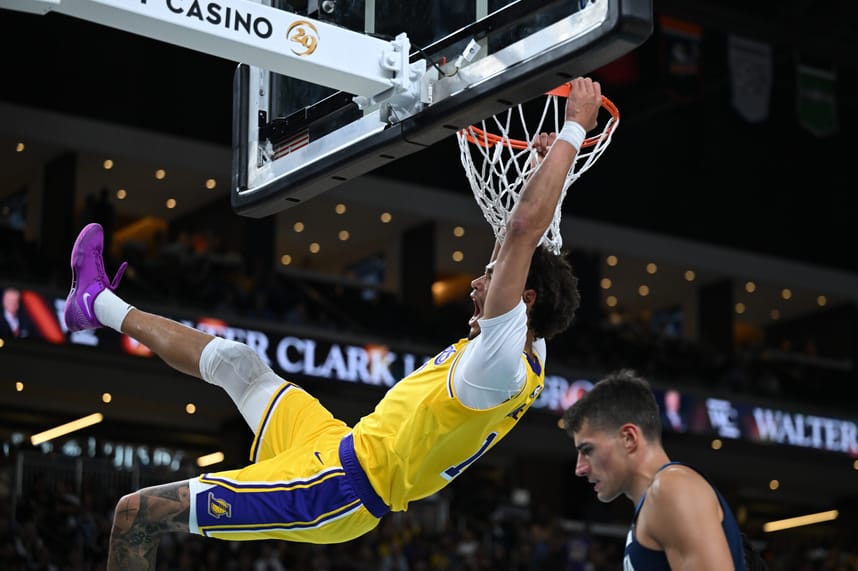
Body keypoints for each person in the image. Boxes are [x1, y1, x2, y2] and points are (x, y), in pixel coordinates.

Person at [63, 76, 602, 570]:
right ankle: (96, 302)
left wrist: (575, 125)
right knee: (239, 365)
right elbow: (536, 236)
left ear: (523, 300)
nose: (477, 283)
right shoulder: (531, 350)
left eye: (490, 276)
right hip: (338, 444)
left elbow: (523, 231)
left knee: (137, 514)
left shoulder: (500, 357)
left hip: (336, 488)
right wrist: (537, 165)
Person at [561, 369, 760, 570]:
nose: (580, 468)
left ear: (629, 438)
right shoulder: (656, 501)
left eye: (587, 450)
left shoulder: (671, 489)